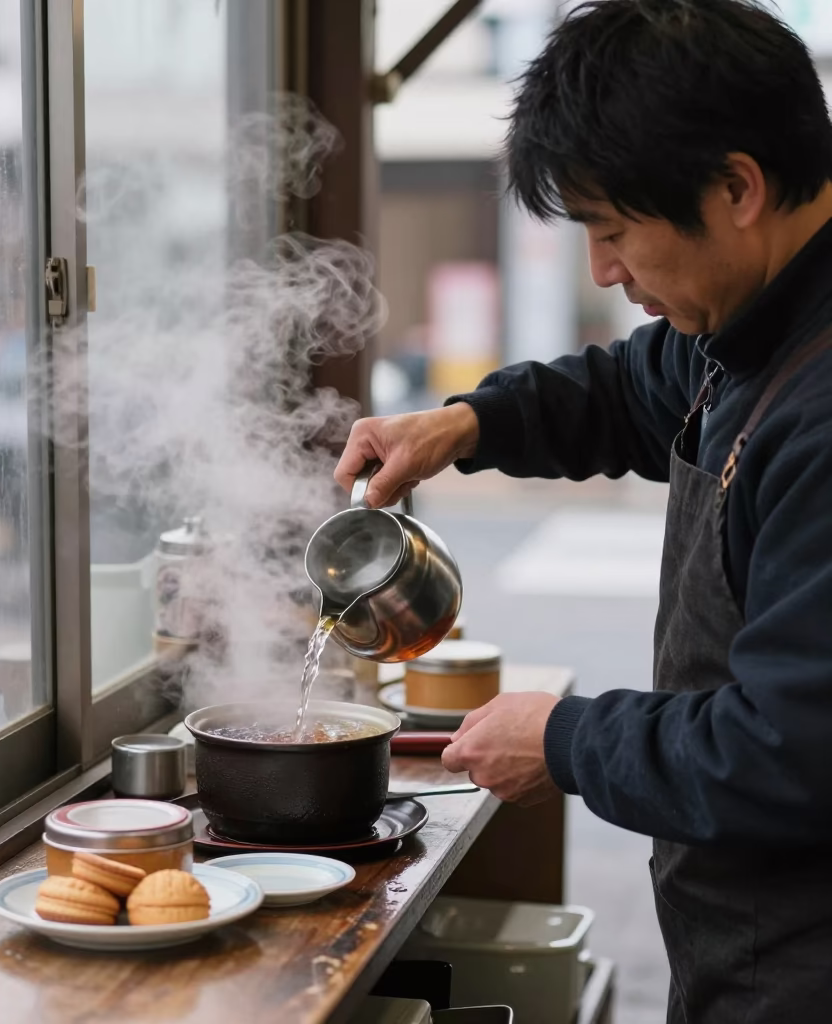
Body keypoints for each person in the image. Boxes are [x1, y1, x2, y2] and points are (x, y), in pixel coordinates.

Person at [335, 1, 832, 1020]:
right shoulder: (742, 319)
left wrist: (565, 741)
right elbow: (620, 391)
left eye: (613, 230)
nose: (603, 270)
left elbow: (790, 750)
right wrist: (464, 424)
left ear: (737, 187)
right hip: (746, 943)